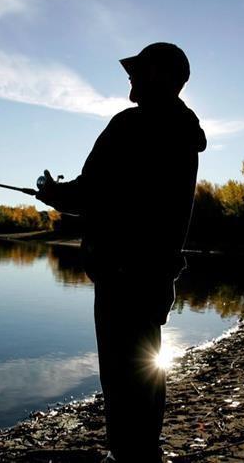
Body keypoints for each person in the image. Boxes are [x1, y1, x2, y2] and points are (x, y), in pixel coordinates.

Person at [35, 42, 206, 462]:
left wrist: (53, 193)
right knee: (147, 366)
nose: (130, 76)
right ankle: (144, 452)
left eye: (138, 70)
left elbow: (92, 192)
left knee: (119, 371)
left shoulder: (131, 125)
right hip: (157, 271)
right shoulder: (184, 133)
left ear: (160, 76)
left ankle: (128, 455)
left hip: (120, 270)